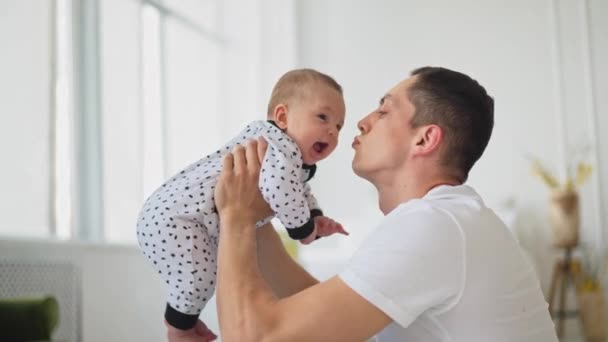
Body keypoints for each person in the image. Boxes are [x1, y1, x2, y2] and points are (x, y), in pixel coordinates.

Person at [212, 67, 559, 341]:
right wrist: (256, 219)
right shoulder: (448, 218)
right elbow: (337, 328)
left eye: (383, 111)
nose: (361, 122)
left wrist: (235, 217)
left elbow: (254, 337)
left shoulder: (432, 225)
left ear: (425, 138)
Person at [136, 68, 349, 339]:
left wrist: (315, 215)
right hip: (175, 220)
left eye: (339, 126)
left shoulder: (286, 156)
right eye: (323, 117)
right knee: (200, 279)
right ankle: (179, 328)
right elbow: (281, 189)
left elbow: (297, 189)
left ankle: (184, 322)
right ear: (282, 117)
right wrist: (304, 230)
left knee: (202, 277)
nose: (332, 131)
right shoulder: (276, 149)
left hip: (176, 216)